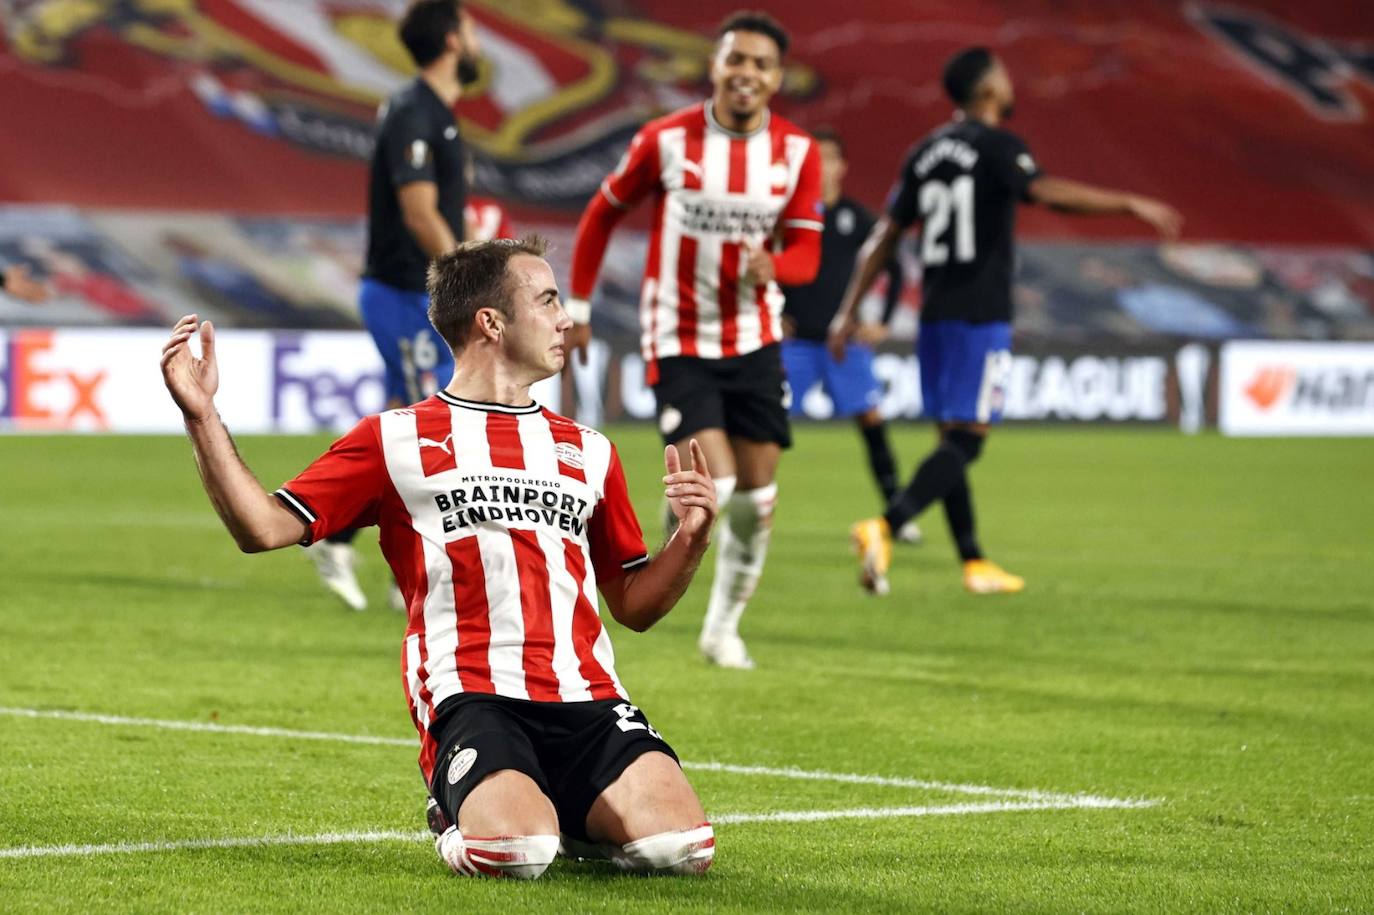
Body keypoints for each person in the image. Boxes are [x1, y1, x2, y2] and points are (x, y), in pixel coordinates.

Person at [159, 236, 719, 879]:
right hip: (472, 697)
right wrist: (202, 416)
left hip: (587, 698)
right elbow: (261, 527)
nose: (566, 318)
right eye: (547, 300)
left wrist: (691, 540)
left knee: (682, 849)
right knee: (515, 854)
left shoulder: (589, 450)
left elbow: (634, 606)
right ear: (491, 322)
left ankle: (564, 812)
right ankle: (460, 818)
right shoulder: (395, 439)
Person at [829, 46, 1182, 596]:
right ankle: (886, 524)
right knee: (968, 442)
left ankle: (974, 562)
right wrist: (1129, 204)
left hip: (937, 315)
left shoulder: (922, 153)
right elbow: (1044, 193)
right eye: (1003, 75)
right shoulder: (999, 146)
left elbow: (885, 237)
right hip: (980, 313)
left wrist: (847, 311)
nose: (1010, 82)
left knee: (951, 438)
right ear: (988, 89)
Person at [565, 10, 822, 670]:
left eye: (761, 64)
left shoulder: (797, 152)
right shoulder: (666, 139)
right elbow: (602, 213)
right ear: (714, 66)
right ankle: (664, 562)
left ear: (777, 78)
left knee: (758, 500)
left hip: (756, 339)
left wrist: (778, 267)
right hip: (677, 336)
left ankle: (722, 628)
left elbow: (807, 253)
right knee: (725, 483)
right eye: (735, 59)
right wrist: (582, 303)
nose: (747, 73)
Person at [306, 0, 483, 612]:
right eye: (472, 28)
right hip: (404, 294)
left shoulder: (434, 112)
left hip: (419, 297)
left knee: (399, 422)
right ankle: (403, 562)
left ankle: (341, 534)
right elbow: (418, 213)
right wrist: (476, 276)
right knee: (424, 430)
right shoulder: (414, 111)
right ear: (454, 40)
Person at [778, 127, 919, 541]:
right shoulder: (786, 217)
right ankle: (718, 505)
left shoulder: (857, 218)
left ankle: (899, 513)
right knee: (761, 428)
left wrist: (884, 320)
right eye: (813, 159)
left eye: (829, 158)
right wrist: (775, 312)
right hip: (796, 344)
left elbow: (892, 267)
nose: (822, 167)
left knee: (872, 422)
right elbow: (762, 265)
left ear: (842, 167)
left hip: (843, 343)